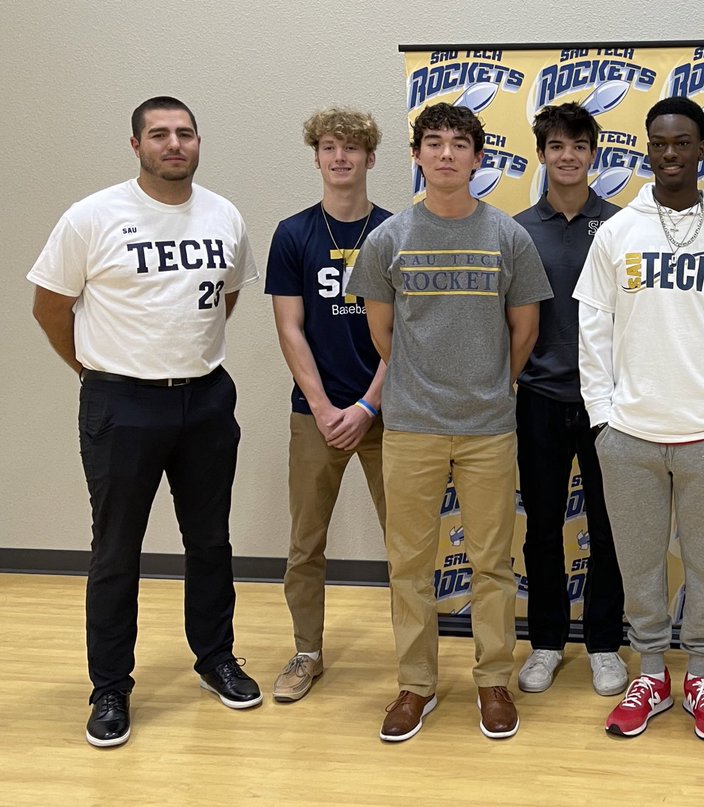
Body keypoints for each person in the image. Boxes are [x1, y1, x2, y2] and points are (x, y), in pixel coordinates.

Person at [29, 96, 262, 748]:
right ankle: (110, 688)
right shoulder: (92, 217)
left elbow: (226, 296)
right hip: (121, 404)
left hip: (207, 400)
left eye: (185, 133)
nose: (174, 143)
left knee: (210, 541)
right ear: (136, 145)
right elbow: (50, 307)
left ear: (198, 142)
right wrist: (96, 370)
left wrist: (186, 360)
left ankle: (216, 658)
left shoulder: (225, 213)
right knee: (115, 551)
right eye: (159, 134)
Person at [347, 102, 552, 742]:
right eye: (432, 143)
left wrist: (489, 382)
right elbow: (383, 333)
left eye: (458, 144)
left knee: (491, 563)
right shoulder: (388, 239)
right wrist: (422, 381)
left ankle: (493, 680)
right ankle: (416, 685)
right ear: (415, 156)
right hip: (410, 425)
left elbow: (525, 330)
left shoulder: (508, 236)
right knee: (410, 563)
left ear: (478, 158)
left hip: (489, 425)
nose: (444, 154)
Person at [575, 96, 704, 741]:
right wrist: (602, 415)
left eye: (682, 143)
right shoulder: (617, 232)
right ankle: (652, 672)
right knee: (640, 565)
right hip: (629, 435)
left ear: (702, 149)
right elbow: (592, 328)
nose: (669, 154)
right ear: (647, 149)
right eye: (659, 143)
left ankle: (703, 677)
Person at [265, 107, 392, 702]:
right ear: (316, 156)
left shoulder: (397, 232)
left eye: (352, 148)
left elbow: (408, 333)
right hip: (314, 414)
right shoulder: (293, 234)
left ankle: (413, 663)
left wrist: (368, 404)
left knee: (408, 543)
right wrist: (322, 408)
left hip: (390, 411)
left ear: (370, 157)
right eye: (329, 148)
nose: (340, 157)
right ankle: (306, 652)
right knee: (305, 541)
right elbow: (290, 328)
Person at [513, 103, 626, 697]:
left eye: (579, 145)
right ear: (542, 154)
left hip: (609, 403)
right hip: (537, 397)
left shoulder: (620, 227)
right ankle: (548, 643)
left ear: (593, 153)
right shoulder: (516, 230)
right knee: (542, 528)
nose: (567, 155)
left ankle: (605, 644)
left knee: (610, 528)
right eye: (556, 145)